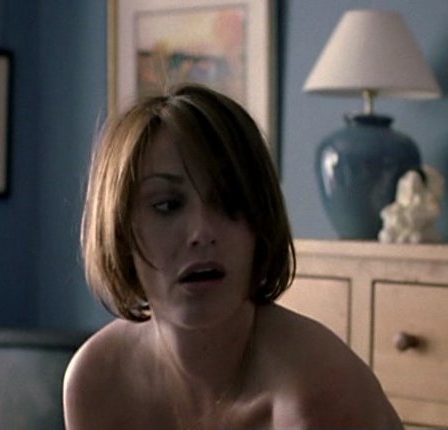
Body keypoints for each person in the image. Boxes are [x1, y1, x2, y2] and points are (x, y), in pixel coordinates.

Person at [63, 84, 403, 430]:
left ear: (260, 222)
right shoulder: (97, 379)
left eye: (229, 201)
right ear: (120, 230)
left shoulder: (316, 388)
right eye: (167, 205)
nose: (201, 232)